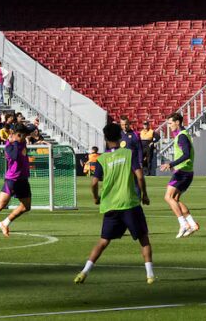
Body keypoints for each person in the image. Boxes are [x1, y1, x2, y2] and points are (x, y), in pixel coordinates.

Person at [73, 122, 154, 285]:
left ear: (105, 138)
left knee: (103, 241)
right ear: (120, 136)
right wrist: (144, 195)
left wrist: (96, 198)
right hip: (129, 203)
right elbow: (139, 176)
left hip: (110, 205)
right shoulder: (128, 153)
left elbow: (94, 183)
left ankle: (84, 272)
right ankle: (150, 275)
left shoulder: (102, 158)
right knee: (143, 239)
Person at [159, 112, 199, 238]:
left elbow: (186, 154)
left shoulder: (182, 136)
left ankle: (183, 224)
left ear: (177, 122)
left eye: (170, 123)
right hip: (186, 172)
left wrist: (171, 164)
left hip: (182, 172)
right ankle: (192, 224)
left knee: (168, 197)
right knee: (175, 199)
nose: (169, 126)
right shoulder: (182, 135)